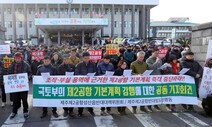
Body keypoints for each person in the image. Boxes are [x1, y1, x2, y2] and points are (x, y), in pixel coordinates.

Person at [8, 52, 32, 119]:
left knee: (24, 99)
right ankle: (14, 111)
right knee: (15, 99)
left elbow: (30, 73)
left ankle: (25, 111)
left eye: (18, 58)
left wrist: (28, 78)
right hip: (14, 86)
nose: (17, 59)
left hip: (23, 86)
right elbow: (8, 74)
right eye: (16, 58)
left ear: (21, 58)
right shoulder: (11, 65)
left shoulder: (26, 65)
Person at [74, 52, 96, 117]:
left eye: (88, 58)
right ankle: (80, 111)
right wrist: (84, 76)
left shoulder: (93, 65)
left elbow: (96, 73)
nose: (87, 60)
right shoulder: (79, 65)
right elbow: (76, 74)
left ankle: (91, 110)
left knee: (90, 97)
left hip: (90, 84)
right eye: (85, 58)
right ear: (83, 58)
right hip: (82, 84)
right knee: (81, 98)